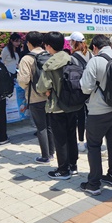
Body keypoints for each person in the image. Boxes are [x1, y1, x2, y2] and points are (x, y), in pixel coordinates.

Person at [79, 35, 112, 195]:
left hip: (99, 111)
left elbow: (85, 87)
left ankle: (93, 183)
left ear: (94, 47)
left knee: (93, 145)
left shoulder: (95, 61)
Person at [36, 32, 81, 179]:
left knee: (60, 139)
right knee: (71, 135)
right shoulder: (72, 59)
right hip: (73, 103)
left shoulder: (49, 64)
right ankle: (73, 166)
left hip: (57, 106)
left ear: (48, 46)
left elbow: (42, 87)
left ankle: (63, 170)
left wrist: (48, 91)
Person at [17, 31, 55, 164]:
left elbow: (23, 80)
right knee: (50, 126)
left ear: (28, 43)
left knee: (41, 127)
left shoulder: (26, 59)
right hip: (50, 96)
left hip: (35, 98)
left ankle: (45, 156)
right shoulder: (49, 55)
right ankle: (52, 152)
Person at [66, 31, 93, 153]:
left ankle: (81, 143)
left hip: (79, 91)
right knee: (91, 117)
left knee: (81, 117)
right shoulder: (91, 54)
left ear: (74, 42)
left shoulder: (72, 57)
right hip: (92, 91)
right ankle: (91, 140)